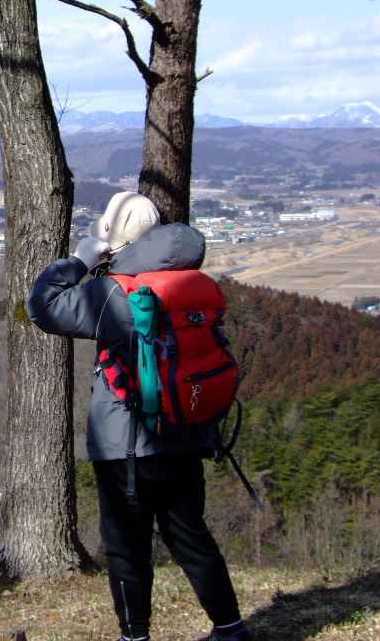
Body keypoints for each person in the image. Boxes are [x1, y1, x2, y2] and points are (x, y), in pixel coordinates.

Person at [27, 191, 250, 641]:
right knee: (190, 535)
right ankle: (230, 628)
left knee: (127, 547)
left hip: (126, 443)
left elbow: (43, 307)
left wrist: (79, 261)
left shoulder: (117, 293)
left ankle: (135, 637)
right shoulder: (192, 283)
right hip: (188, 433)